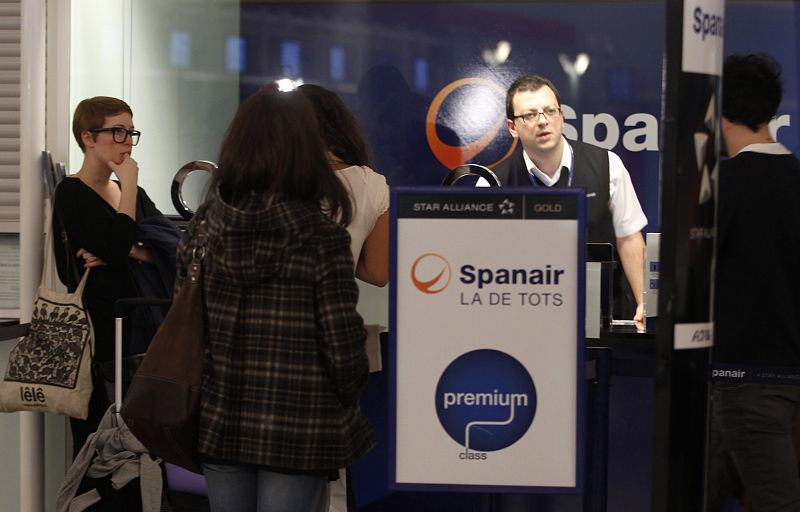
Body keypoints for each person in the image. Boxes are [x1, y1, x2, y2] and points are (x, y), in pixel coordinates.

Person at [176, 84, 374, 512]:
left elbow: (185, 325)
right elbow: (343, 349)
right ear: (304, 149)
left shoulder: (204, 227)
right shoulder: (321, 236)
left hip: (219, 420)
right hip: (298, 425)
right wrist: (347, 392)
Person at [53, 96, 178, 457]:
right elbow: (115, 244)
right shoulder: (72, 192)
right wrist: (127, 239)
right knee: (102, 442)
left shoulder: (131, 192)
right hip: (100, 330)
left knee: (143, 442)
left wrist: (131, 251)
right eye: (118, 132)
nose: (126, 142)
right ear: (88, 137)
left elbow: (173, 246)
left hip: (143, 325)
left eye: (130, 133)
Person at [706, 53, 800, 512]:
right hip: (784, 377)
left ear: (720, 114)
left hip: (743, 378)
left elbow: (693, 273)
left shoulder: (722, 185)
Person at [492, 75, 647, 325]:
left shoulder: (607, 165)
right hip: (522, 318)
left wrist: (643, 302)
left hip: (598, 317)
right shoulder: (493, 182)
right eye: (530, 115)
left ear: (562, 116)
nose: (543, 121)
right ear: (512, 127)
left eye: (550, 111)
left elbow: (628, 237)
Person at [298, 83, 389, 512]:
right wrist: (342, 248)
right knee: (330, 465)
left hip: (276, 335)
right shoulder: (373, 185)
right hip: (338, 335)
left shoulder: (283, 183)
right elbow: (378, 271)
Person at [298, 83, 389, 287]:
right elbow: (378, 273)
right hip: (338, 311)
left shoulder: (274, 177)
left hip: (276, 311)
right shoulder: (373, 183)